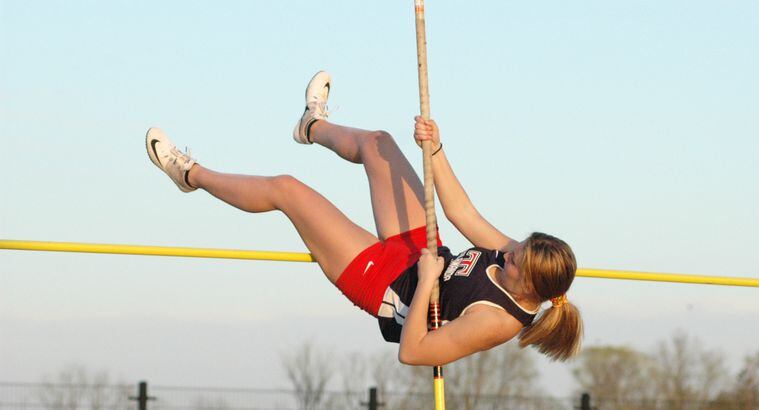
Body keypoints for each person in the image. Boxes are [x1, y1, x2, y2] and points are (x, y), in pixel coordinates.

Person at [145, 71, 582, 365]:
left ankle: (188, 174)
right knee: (380, 143)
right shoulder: (516, 259)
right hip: (421, 252)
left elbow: (412, 352)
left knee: (287, 190)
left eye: (515, 261)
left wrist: (428, 281)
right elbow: (461, 212)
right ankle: (310, 125)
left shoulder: (496, 321)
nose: (508, 253)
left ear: (531, 288)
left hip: (387, 286)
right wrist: (435, 150)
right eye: (517, 247)